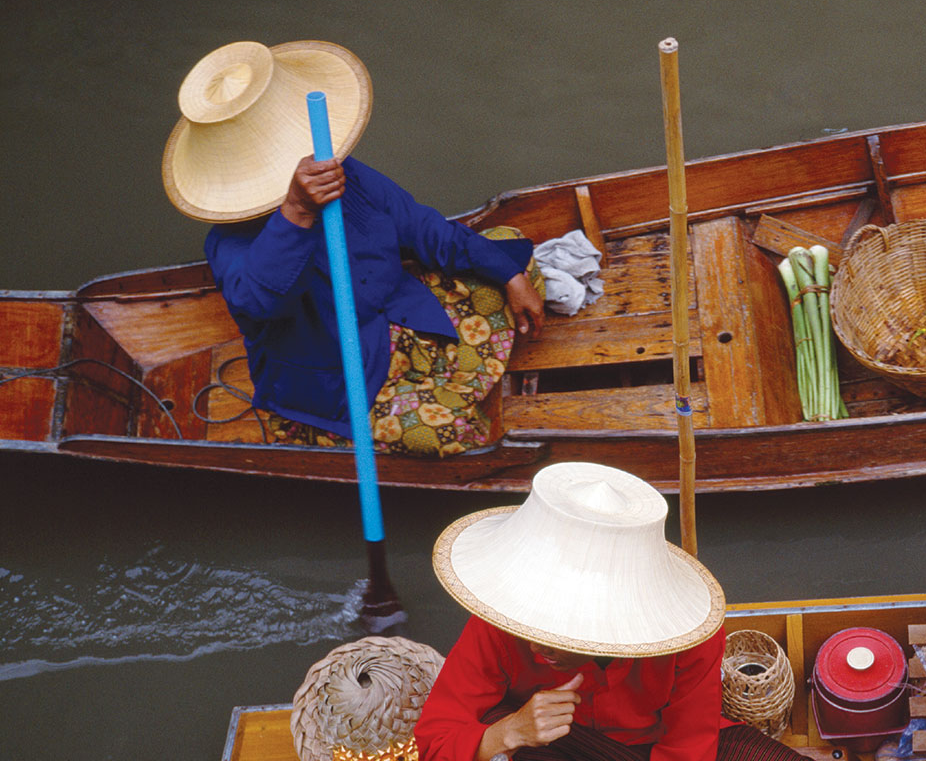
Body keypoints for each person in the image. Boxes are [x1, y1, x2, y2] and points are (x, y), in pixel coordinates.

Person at [163, 40, 544, 457]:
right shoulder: (229, 240)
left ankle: (436, 383)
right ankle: (429, 401)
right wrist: (297, 211)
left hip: (400, 318)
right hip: (340, 380)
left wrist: (509, 274)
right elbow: (258, 302)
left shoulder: (344, 173)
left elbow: (421, 227)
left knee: (508, 250)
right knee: (448, 436)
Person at [417, 462, 811, 761]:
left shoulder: (688, 640)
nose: (537, 646)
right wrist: (508, 732)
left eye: (555, 634)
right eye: (533, 625)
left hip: (653, 744)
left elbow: (687, 746)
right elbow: (433, 739)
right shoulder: (498, 624)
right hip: (554, 744)